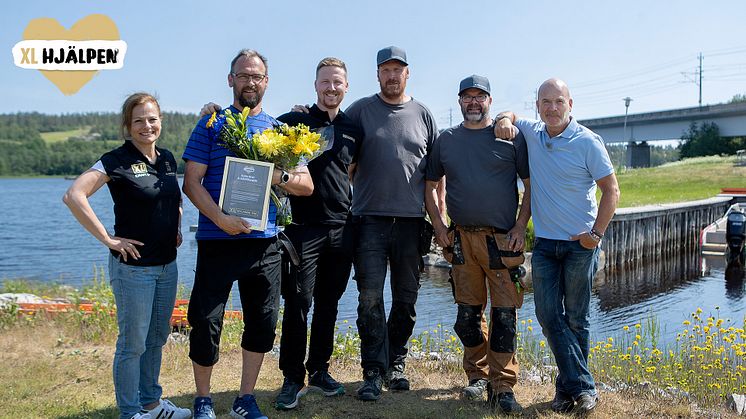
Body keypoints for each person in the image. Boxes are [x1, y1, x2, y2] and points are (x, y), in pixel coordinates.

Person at [182, 49, 313, 419]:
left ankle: (244, 399)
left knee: (263, 323)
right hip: (217, 240)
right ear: (231, 80)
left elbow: (306, 185)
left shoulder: (280, 131)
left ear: (266, 82)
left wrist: (280, 177)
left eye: (257, 76)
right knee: (206, 321)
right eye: (243, 75)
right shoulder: (211, 124)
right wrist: (221, 219)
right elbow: (192, 184)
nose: (250, 82)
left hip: (265, 243)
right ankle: (203, 399)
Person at [494, 78, 620, 414]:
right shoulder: (533, 133)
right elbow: (509, 115)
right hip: (547, 246)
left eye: (558, 101)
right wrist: (504, 119)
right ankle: (584, 388)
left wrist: (596, 234)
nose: (552, 108)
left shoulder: (588, 142)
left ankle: (566, 394)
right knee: (548, 314)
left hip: (581, 246)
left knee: (577, 319)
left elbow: (612, 191)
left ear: (570, 105)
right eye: (545, 102)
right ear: (538, 106)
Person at [63, 93, 191, 419]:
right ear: (127, 125)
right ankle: (130, 412)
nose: (146, 126)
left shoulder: (167, 159)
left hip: (167, 266)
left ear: (160, 121)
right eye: (138, 120)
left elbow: (172, 197)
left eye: (151, 119)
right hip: (133, 269)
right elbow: (74, 195)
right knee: (132, 344)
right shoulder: (115, 159)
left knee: (157, 338)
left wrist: (176, 225)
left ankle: (152, 404)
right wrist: (108, 239)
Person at [425, 75, 530, 414]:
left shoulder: (510, 137)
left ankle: (503, 386)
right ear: (459, 102)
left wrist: (519, 225)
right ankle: (478, 377)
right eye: (467, 97)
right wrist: (439, 225)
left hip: (502, 241)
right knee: (467, 317)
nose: (473, 102)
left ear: (489, 101)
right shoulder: (446, 140)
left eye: (479, 97)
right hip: (461, 241)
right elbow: (430, 186)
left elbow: (530, 187)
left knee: (504, 318)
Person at [345, 46, 439, 401]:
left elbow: (435, 179)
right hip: (369, 220)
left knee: (406, 299)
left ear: (408, 74)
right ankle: (372, 370)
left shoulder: (424, 114)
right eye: (385, 70)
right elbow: (343, 156)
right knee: (369, 297)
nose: (392, 75)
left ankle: (395, 362)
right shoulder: (360, 111)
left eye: (398, 69)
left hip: (412, 223)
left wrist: (439, 221)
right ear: (377, 75)